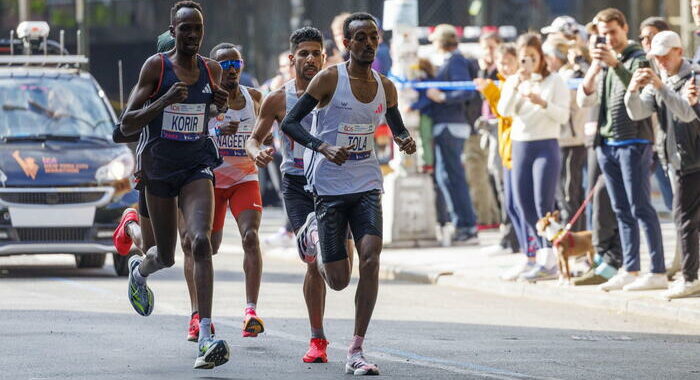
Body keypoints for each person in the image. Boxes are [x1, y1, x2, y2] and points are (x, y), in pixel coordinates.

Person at [280, 12, 416, 376]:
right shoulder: (328, 79)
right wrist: (321, 147)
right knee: (338, 280)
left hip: (367, 184)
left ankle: (356, 349)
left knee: (371, 258)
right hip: (328, 187)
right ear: (346, 43)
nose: (368, 43)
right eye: (361, 38)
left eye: (373, 37)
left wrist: (404, 140)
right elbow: (290, 123)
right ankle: (314, 237)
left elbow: (394, 121)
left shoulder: (386, 86)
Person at [119, 1, 231, 369]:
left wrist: (219, 104)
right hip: (159, 171)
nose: (192, 35)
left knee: (200, 243)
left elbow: (213, 111)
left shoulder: (210, 70)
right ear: (173, 30)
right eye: (185, 28)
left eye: (197, 28)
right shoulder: (157, 67)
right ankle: (140, 270)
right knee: (164, 256)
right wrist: (163, 100)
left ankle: (207, 334)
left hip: (197, 165)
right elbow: (125, 125)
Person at [246, 26, 337, 363]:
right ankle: (318, 340)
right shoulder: (279, 98)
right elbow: (254, 138)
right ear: (292, 59)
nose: (311, 59)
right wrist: (257, 151)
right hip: (298, 185)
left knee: (338, 266)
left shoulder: (337, 91)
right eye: (304, 53)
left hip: (334, 182)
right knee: (313, 259)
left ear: (325, 58)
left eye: (316, 53)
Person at [578, 8, 666, 292]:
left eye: (612, 32)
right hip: (607, 144)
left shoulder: (638, 56)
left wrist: (616, 64)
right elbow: (585, 99)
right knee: (620, 210)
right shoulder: (602, 61)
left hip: (635, 142)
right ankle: (630, 267)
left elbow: (641, 92)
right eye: (603, 34)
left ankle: (657, 269)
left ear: (624, 28)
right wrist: (595, 67)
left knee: (641, 207)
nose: (608, 39)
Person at [625, 30, 700, 299]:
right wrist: (632, 89)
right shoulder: (660, 80)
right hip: (675, 159)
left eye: (665, 57)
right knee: (687, 219)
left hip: (692, 158)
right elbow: (637, 112)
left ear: (679, 51)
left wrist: (660, 86)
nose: (661, 63)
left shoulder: (694, 76)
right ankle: (691, 274)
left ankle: (690, 277)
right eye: (656, 58)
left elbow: (687, 113)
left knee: (684, 219)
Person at [497, 32, 570, 282]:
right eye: (523, 58)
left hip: (546, 144)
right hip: (520, 144)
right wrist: (516, 86)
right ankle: (540, 254)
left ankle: (550, 257)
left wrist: (542, 102)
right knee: (523, 202)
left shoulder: (555, 82)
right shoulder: (516, 81)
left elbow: (562, 116)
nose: (527, 62)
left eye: (532, 57)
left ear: (541, 57)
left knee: (543, 203)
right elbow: (504, 111)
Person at [205, 43, 266, 336]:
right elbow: (191, 134)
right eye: (224, 65)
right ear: (214, 69)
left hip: (245, 178)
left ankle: (251, 312)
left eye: (236, 65)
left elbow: (271, 129)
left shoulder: (254, 97)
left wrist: (266, 151)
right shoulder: (204, 99)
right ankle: (202, 314)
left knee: (251, 237)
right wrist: (216, 131)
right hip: (212, 181)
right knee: (210, 246)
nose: (231, 71)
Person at [475, 44, 534, 264]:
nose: (504, 67)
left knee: (521, 203)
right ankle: (523, 250)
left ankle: (530, 250)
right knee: (510, 202)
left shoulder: (520, 82)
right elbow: (502, 111)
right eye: (500, 63)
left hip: (521, 146)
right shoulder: (505, 82)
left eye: (508, 62)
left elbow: (506, 111)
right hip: (507, 146)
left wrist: (491, 91)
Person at [426, 24, 479, 243]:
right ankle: (462, 224)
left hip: (451, 124)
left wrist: (442, 97)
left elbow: (465, 90)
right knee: (446, 177)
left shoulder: (455, 60)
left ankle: (466, 225)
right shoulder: (451, 60)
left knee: (452, 176)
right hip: (448, 124)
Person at [543, 35, 588, 233]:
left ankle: (574, 236)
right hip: (562, 139)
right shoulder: (560, 76)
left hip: (572, 139)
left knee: (570, 192)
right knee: (564, 191)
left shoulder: (568, 77)